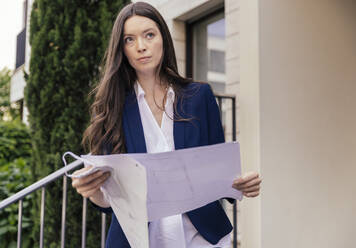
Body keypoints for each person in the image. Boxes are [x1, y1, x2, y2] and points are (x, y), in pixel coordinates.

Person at [71, 2, 262, 247]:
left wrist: (241, 183)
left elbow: (218, 170)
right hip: (140, 240)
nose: (141, 47)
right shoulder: (112, 107)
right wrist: (93, 192)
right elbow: (111, 201)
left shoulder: (199, 96)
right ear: (122, 49)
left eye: (149, 35)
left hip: (200, 238)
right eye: (129, 40)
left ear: (163, 38)